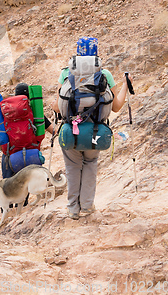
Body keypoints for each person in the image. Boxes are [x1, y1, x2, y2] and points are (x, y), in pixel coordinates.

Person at [52, 36, 131, 220]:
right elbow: (117, 106)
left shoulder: (66, 74)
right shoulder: (105, 75)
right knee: (90, 165)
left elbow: (57, 107)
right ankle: (87, 206)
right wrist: (126, 84)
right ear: (96, 53)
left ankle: (73, 209)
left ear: (77, 53)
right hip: (96, 132)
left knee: (72, 168)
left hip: (71, 132)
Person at [1, 82, 54, 179]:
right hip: (31, 156)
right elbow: (54, 131)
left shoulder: (6, 115)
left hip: (11, 159)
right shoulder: (36, 113)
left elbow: (0, 139)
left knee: (9, 189)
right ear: (29, 98)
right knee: (32, 186)